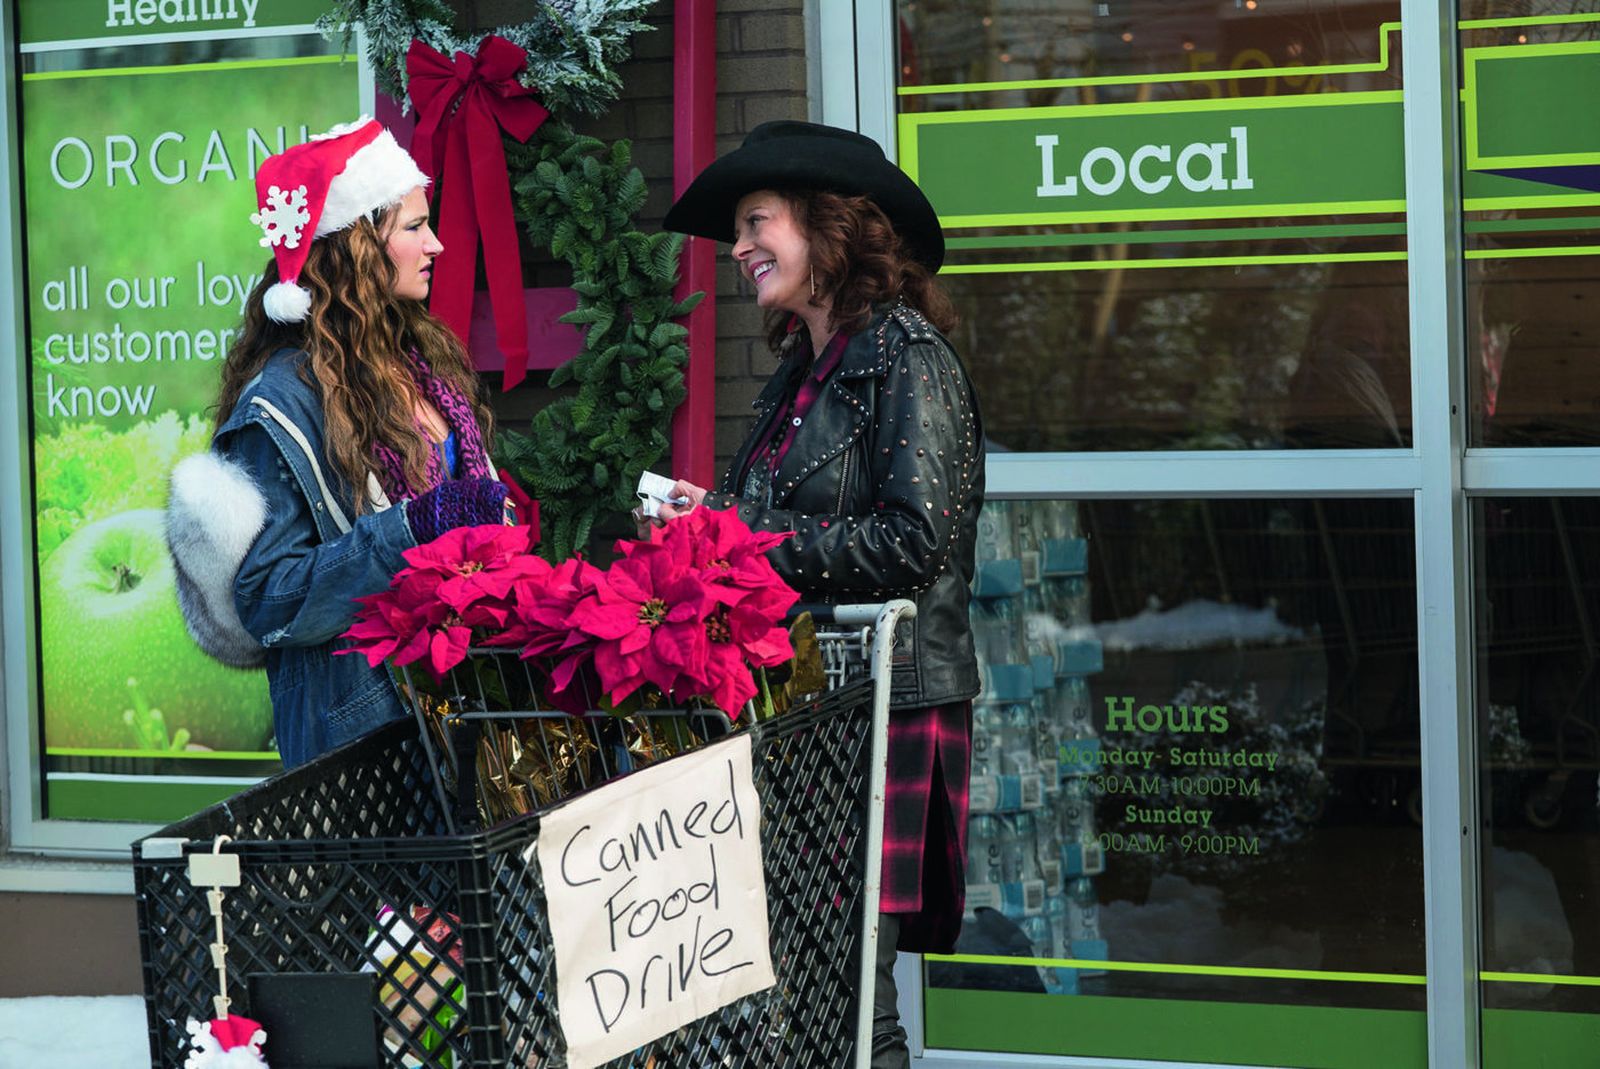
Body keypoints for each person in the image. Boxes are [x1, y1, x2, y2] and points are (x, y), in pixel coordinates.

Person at [661, 120, 985, 1068]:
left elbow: (916, 540)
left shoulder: (906, 355)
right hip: (819, 710)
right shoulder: (804, 371)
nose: (739, 248)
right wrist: (709, 518)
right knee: (814, 990)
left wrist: (750, 541)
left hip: (888, 704)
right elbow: (796, 527)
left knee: (846, 1003)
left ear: (830, 229)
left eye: (758, 222)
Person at [166, 118, 513, 767]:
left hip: (455, 716)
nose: (435, 244)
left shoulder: (419, 365)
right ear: (356, 247)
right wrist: (409, 529)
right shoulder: (281, 404)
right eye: (413, 227)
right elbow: (267, 599)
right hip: (368, 751)